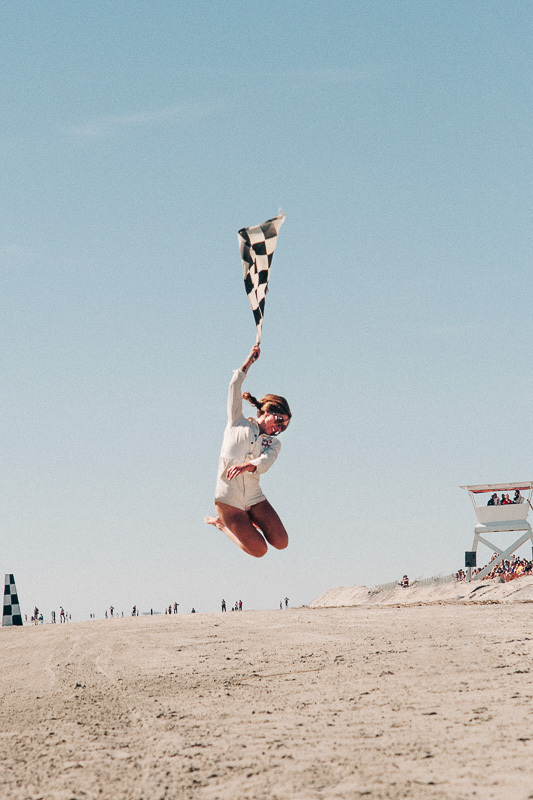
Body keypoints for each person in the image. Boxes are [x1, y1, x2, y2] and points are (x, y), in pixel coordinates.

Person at [206, 345, 292, 558]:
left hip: (253, 496)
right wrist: (249, 361)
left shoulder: (273, 444)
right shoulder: (238, 422)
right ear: (268, 410)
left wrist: (249, 465)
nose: (279, 428)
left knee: (281, 542)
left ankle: (249, 517)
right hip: (228, 498)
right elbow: (234, 385)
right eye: (279, 420)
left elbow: (265, 462)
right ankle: (222, 525)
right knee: (259, 550)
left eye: (284, 426)